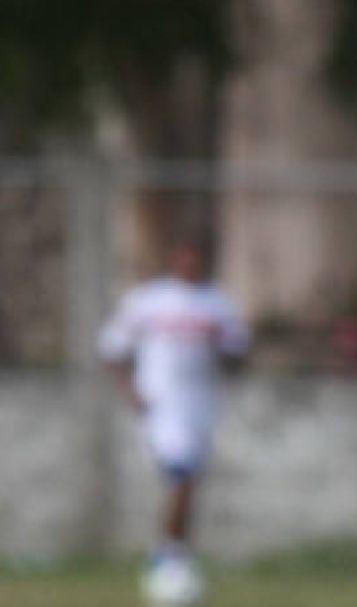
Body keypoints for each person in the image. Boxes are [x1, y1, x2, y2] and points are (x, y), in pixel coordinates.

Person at [98, 231, 250, 588]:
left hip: (201, 405)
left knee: (188, 481)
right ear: (174, 258)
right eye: (184, 255)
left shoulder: (218, 304)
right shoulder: (149, 301)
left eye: (196, 256)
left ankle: (172, 553)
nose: (190, 263)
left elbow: (238, 353)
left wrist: (221, 348)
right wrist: (131, 392)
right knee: (183, 474)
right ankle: (168, 554)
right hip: (161, 405)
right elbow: (111, 349)